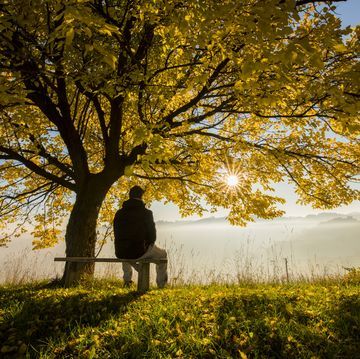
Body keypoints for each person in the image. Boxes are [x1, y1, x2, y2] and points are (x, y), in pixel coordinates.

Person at [113, 185, 168, 288]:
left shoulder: (119, 213)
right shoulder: (146, 213)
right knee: (162, 255)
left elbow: (116, 232)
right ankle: (161, 286)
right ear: (141, 196)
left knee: (126, 250)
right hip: (139, 252)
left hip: (120, 251)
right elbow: (152, 236)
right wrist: (149, 244)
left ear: (129, 196)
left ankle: (127, 281)